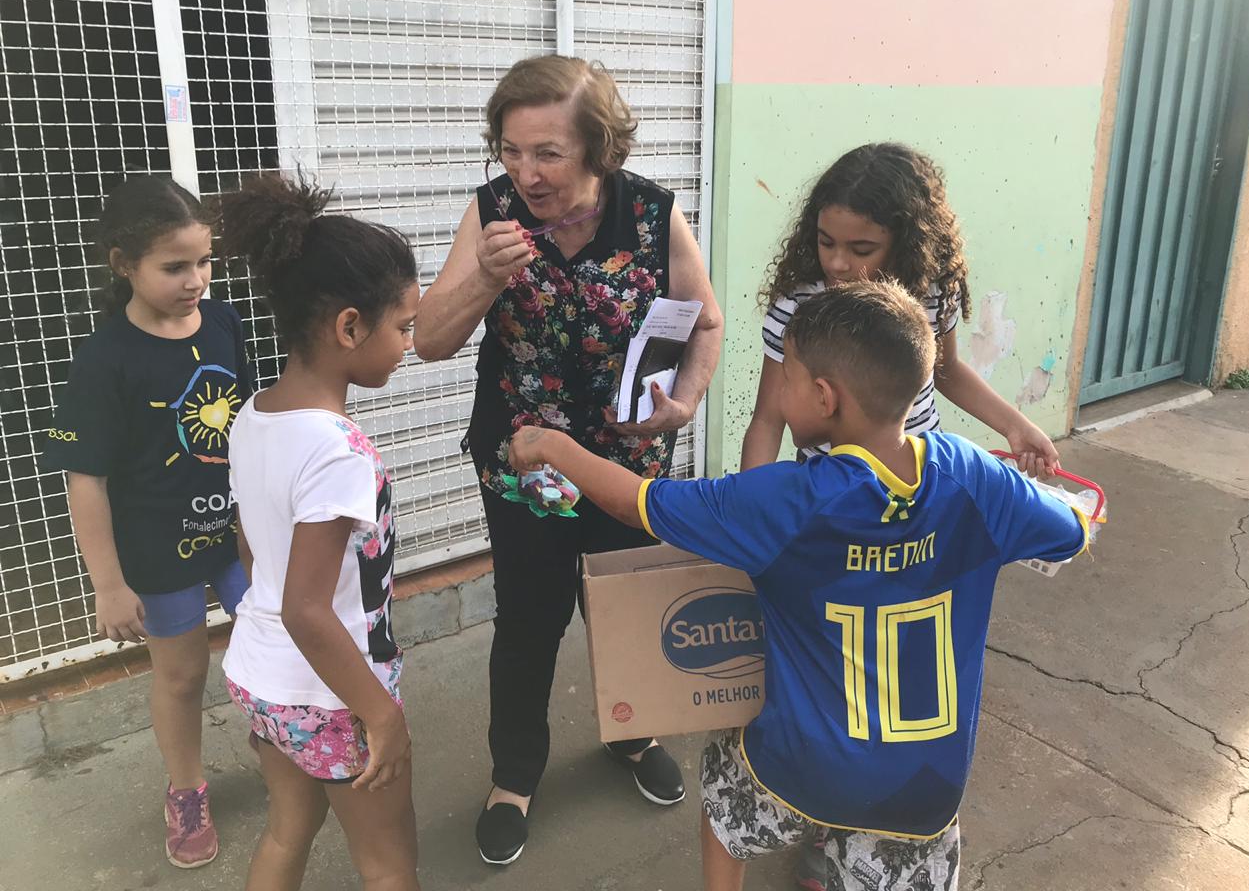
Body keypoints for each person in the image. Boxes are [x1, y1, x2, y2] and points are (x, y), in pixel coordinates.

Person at [507, 281, 1091, 891]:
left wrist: (552, 444)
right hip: (923, 786)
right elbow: (1071, 531)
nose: (778, 392)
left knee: (726, 785)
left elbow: (636, 502)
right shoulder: (974, 475)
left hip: (799, 768)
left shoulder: (788, 500)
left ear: (823, 396)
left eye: (786, 376)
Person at [415, 54, 724, 865]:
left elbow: (707, 322)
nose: (526, 173)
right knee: (529, 617)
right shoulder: (492, 213)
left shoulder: (651, 213)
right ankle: (514, 775)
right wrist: (484, 279)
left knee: (624, 607)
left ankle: (632, 735)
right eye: (511, 151)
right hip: (527, 466)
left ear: (598, 148)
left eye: (548, 153)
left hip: (626, 467)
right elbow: (430, 341)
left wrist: (684, 403)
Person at [41, 175, 252, 868]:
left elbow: (249, 424)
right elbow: (86, 479)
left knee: (274, 642)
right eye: (174, 266)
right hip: (159, 552)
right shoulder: (104, 359)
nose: (196, 280)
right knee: (182, 676)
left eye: (205, 261)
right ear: (123, 264)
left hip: (237, 536)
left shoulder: (224, 322)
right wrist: (107, 584)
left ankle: (287, 745)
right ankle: (186, 789)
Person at [219, 174, 421, 891]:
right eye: (404, 326)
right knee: (388, 866)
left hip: (259, 676)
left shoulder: (254, 416)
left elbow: (252, 545)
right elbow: (308, 608)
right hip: (333, 694)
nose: (408, 344)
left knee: (286, 832)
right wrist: (381, 715)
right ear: (349, 327)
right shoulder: (338, 451)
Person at [742, 142, 1059, 479]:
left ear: (905, 245)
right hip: (828, 487)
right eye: (826, 242)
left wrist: (1016, 426)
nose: (837, 263)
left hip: (920, 481)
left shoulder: (931, 293)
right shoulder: (798, 304)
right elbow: (768, 419)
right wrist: (746, 499)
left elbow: (946, 369)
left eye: (861, 250)